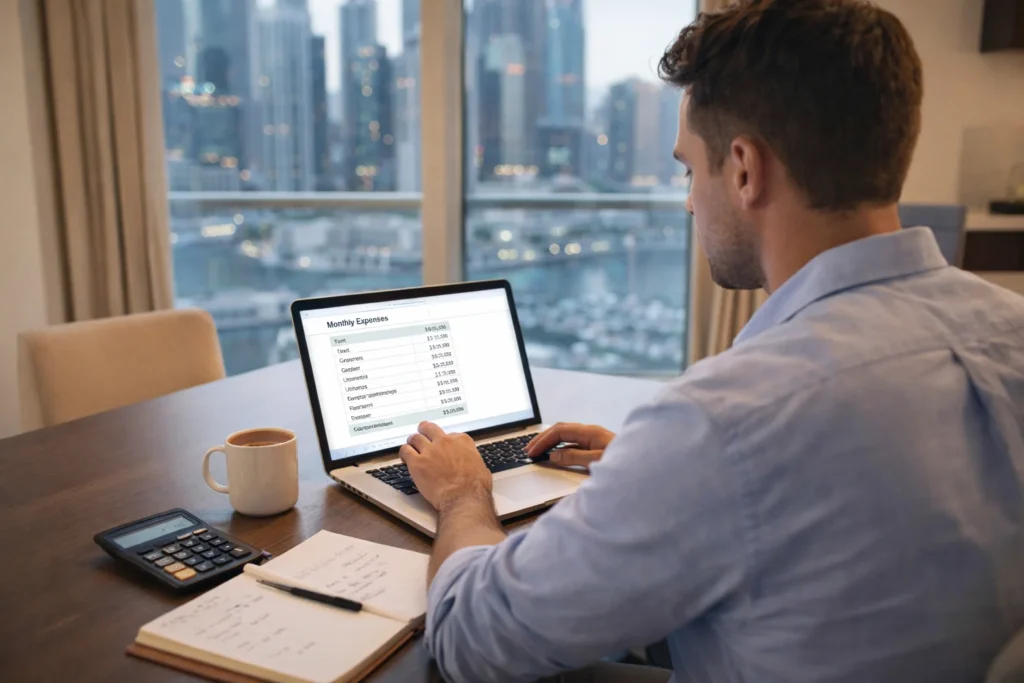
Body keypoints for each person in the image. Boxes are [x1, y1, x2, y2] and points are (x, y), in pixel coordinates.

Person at [399, 1, 1024, 681]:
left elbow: (467, 637)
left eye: (689, 170)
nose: (690, 201)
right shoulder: (1009, 333)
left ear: (746, 169)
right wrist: (654, 475)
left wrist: (465, 492)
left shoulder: (728, 420)